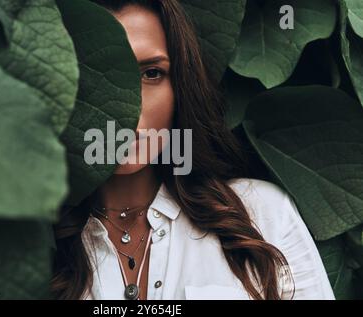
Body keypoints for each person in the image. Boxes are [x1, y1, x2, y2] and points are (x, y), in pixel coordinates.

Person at [52, 0, 335, 300]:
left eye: (151, 74)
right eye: (99, 76)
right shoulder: (30, 244)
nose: (128, 108)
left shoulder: (261, 217)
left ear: (181, 86)